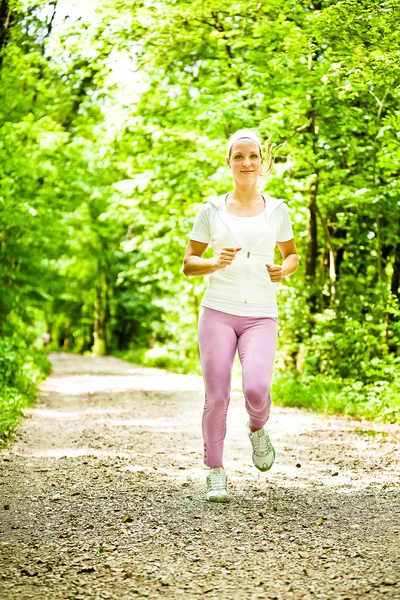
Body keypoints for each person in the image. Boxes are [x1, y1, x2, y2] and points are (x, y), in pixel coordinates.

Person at [182, 128, 299, 502]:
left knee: (256, 389)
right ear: (228, 162)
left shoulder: (278, 209)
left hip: (261, 313)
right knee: (216, 397)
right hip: (218, 310)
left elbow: (292, 254)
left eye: (253, 156)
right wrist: (214, 262)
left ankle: (257, 428)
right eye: (239, 156)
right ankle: (215, 472)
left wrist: (286, 269)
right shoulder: (211, 210)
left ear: (262, 162)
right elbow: (188, 263)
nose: (247, 163)